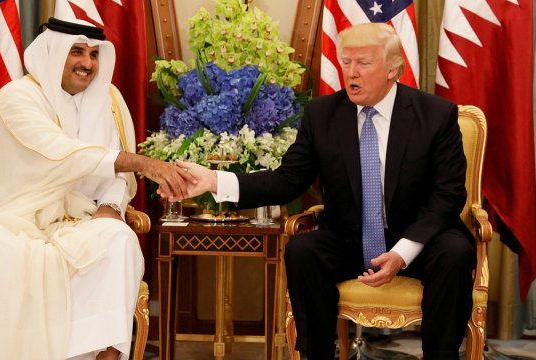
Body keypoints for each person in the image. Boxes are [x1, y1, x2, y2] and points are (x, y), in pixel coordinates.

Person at [174, 22, 476, 360]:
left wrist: (403, 252)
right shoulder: (323, 114)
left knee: (456, 252)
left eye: (363, 63)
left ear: (393, 69)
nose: (351, 73)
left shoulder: (435, 115)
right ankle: (317, 355)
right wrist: (217, 181)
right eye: (345, 62)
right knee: (303, 250)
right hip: (349, 239)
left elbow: (448, 195)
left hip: (418, 240)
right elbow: (287, 180)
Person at [0, 18, 195, 360]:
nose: (87, 63)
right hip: (16, 216)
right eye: (77, 51)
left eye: (93, 54)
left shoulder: (106, 100)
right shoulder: (18, 96)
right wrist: (144, 163)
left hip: (81, 217)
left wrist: (112, 205)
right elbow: (58, 151)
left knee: (118, 239)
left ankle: (103, 356)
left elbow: (116, 179)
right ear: (52, 52)